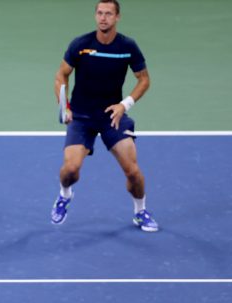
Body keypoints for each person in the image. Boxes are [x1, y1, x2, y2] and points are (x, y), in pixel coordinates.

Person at [50, 0, 158, 232]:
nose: (103, 18)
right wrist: (65, 106)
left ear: (117, 17)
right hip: (81, 117)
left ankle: (140, 211)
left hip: (112, 116)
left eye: (108, 13)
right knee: (70, 171)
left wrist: (124, 105)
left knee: (133, 171)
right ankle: (65, 195)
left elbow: (144, 79)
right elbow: (61, 75)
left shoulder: (128, 46)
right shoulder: (81, 44)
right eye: (100, 13)